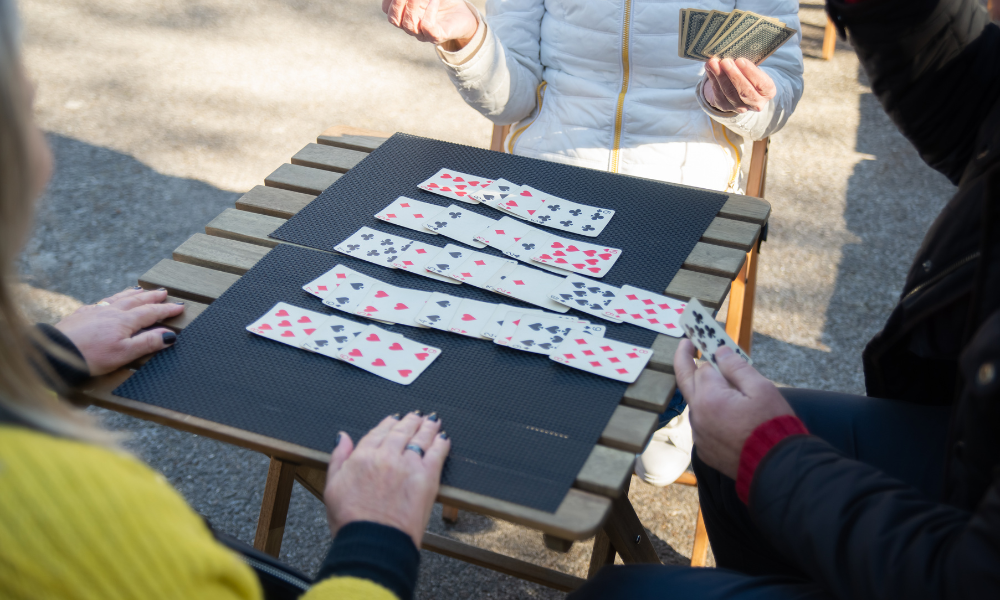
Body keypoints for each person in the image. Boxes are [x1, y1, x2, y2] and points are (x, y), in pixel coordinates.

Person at [0, 3, 449, 597]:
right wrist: (378, 537)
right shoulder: (69, 517)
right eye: (29, 115)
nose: (49, 158)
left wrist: (37, 360)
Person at [566, 0, 1000, 597]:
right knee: (721, 456)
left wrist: (769, 453)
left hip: (962, 554)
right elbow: (962, 82)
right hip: (964, 438)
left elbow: (972, 576)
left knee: (614, 592)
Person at [382, 0, 804, 487]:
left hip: (680, 194)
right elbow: (510, 100)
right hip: (550, 176)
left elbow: (781, 86)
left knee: (631, 376)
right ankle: (580, 397)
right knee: (504, 349)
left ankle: (671, 406)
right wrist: (469, 39)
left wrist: (743, 99)